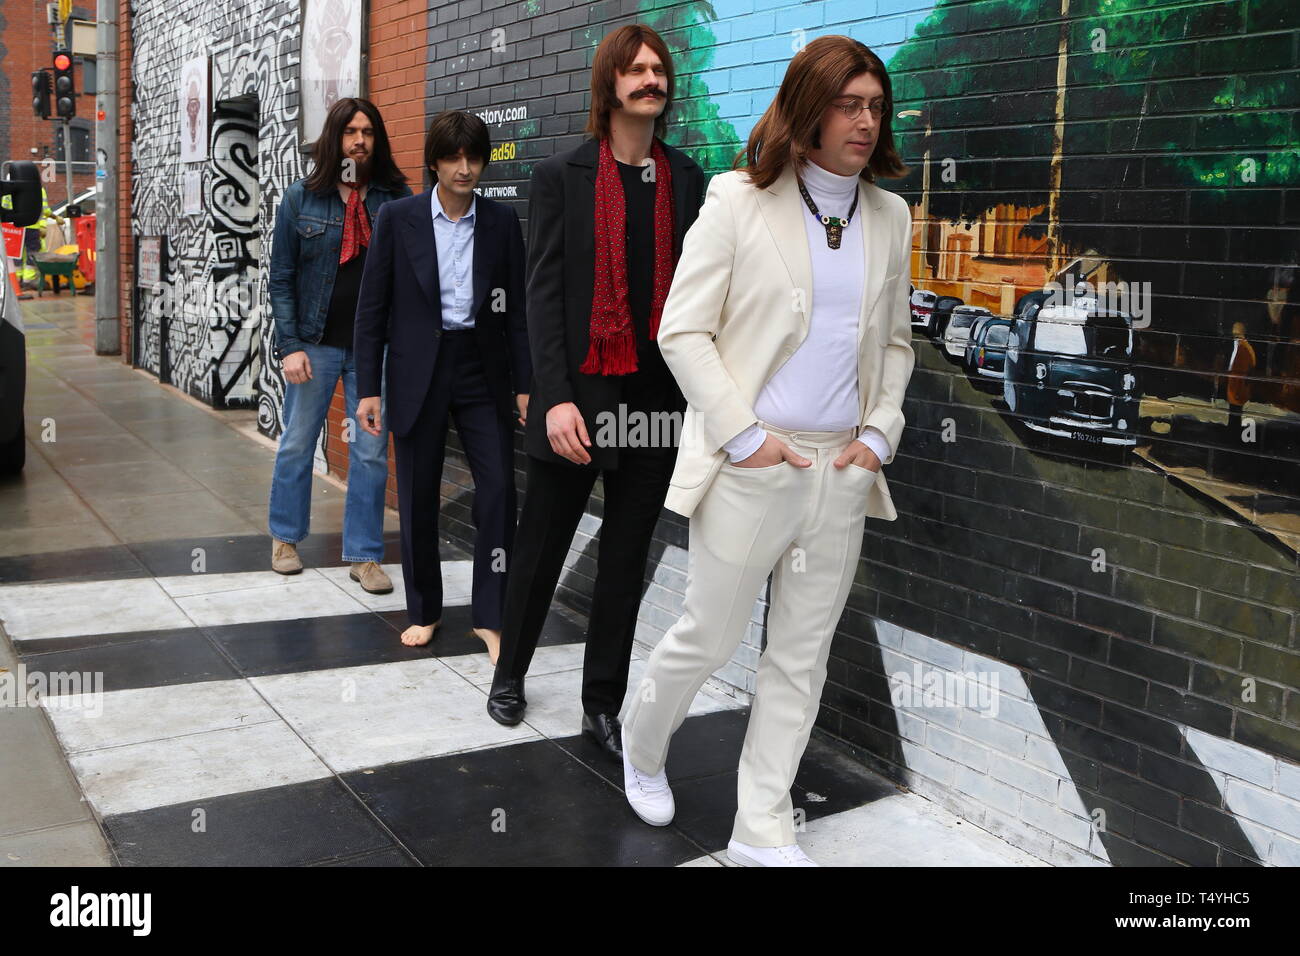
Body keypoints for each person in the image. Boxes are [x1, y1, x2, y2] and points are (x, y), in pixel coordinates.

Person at [618, 35, 916, 866]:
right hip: (755, 465)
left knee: (800, 657)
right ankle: (643, 747)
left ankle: (761, 825)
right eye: (849, 103)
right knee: (707, 636)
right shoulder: (738, 200)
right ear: (808, 107)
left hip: (842, 470)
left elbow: (896, 345)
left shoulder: (890, 216)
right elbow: (682, 328)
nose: (866, 120)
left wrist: (878, 436)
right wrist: (745, 438)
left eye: (876, 105)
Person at [485, 24, 706, 759]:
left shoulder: (688, 180)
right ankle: (509, 673)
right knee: (543, 545)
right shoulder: (561, 177)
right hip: (581, 402)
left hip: (656, 407)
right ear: (609, 84)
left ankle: (601, 704)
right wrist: (553, 398)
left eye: (658, 69)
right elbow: (541, 294)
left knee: (625, 558)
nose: (651, 78)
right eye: (636, 69)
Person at [353, 111, 531, 659]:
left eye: (474, 157)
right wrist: (368, 388)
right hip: (416, 371)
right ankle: (425, 609)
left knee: (499, 490)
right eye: (454, 157)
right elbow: (372, 308)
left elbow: (519, 313)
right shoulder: (397, 218)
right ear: (434, 161)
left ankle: (490, 616)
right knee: (418, 496)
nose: (465, 168)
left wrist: (525, 384)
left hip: (481, 369)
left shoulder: (502, 224)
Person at [266, 97, 411, 591]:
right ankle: (285, 537)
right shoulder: (301, 199)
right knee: (299, 442)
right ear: (334, 138)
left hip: (376, 349)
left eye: (368, 132)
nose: (359, 141)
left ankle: (365, 555)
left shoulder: (394, 198)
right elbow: (281, 277)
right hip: (316, 343)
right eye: (350, 131)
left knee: (370, 451)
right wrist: (290, 346)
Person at [1225, 320, 1256, 438]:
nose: (1233, 333)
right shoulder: (1240, 346)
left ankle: (1233, 436)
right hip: (1235, 390)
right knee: (1234, 415)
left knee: (1235, 415)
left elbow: (1244, 372)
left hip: (1237, 391)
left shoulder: (1244, 348)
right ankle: (1233, 435)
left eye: (1236, 331)